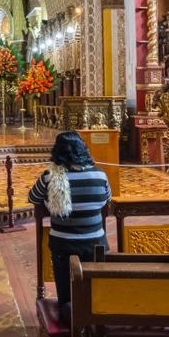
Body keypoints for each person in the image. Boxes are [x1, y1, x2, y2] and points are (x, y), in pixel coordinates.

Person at [28, 132, 112, 315]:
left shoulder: (49, 177)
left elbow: (32, 197)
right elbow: (106, 200)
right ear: (83, 150)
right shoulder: (100, 175)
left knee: (66, 293)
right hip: (95, 243)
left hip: (63, 245)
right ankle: (94, 319)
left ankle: (70, 316)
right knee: (94, 288)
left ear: (57, 152)